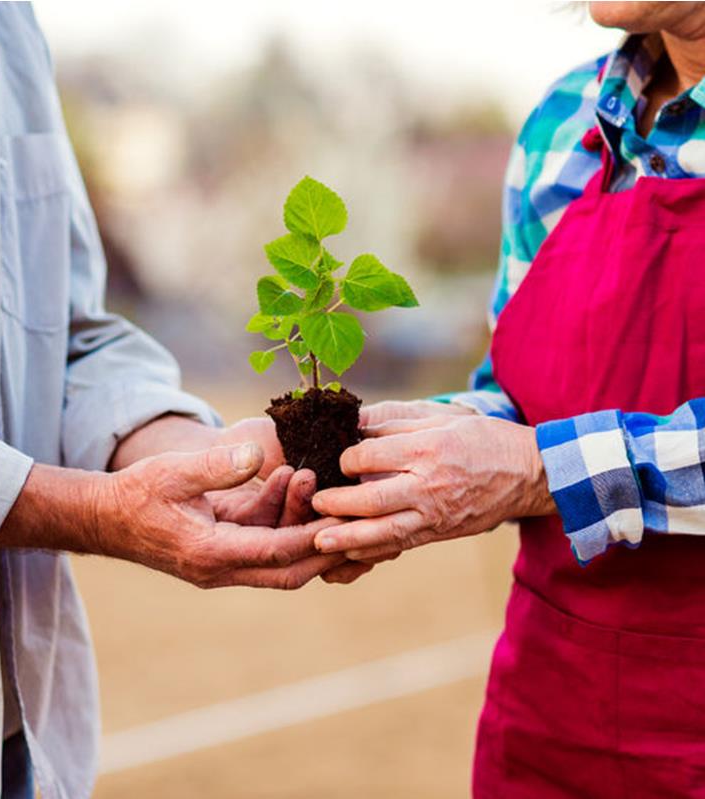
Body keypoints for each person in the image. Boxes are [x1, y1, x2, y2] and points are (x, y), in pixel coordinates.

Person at [0, 3, 350, 798]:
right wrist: (92, 510)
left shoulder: (0, 22)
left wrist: (193, 454)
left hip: (9, 738)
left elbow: (66, 332)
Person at [313, 2, 705, 795]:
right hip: (551, 721)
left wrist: (534, 470)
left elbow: (534, 455)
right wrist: (399, 452)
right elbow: (519, 392)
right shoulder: (562, 122)